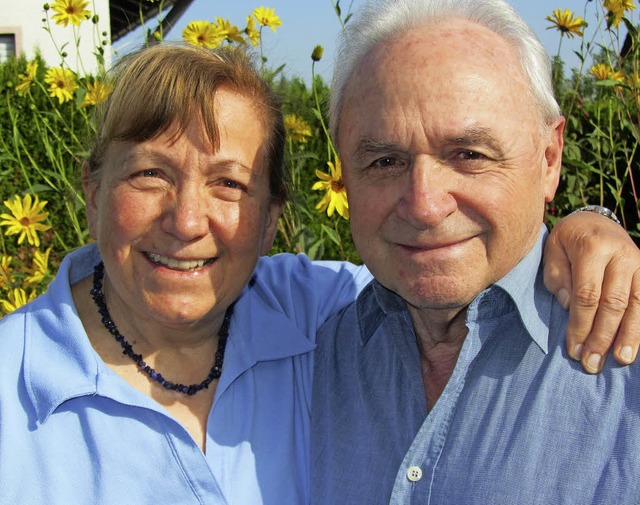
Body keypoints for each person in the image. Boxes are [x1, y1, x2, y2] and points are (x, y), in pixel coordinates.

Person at [0, 42, 636, 505]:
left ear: (272, 216)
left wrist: (583, 227)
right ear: (91, 191)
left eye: (229, 183)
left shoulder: (319, 311)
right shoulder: (14, 387)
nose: (188, 221)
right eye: (148, 174)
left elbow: (448, 269)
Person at [311, 0, 640, 503]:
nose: (423, 205)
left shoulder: (626, 360)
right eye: (384, 161)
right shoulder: (303, 357)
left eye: (468, 154)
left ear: (549, 160)